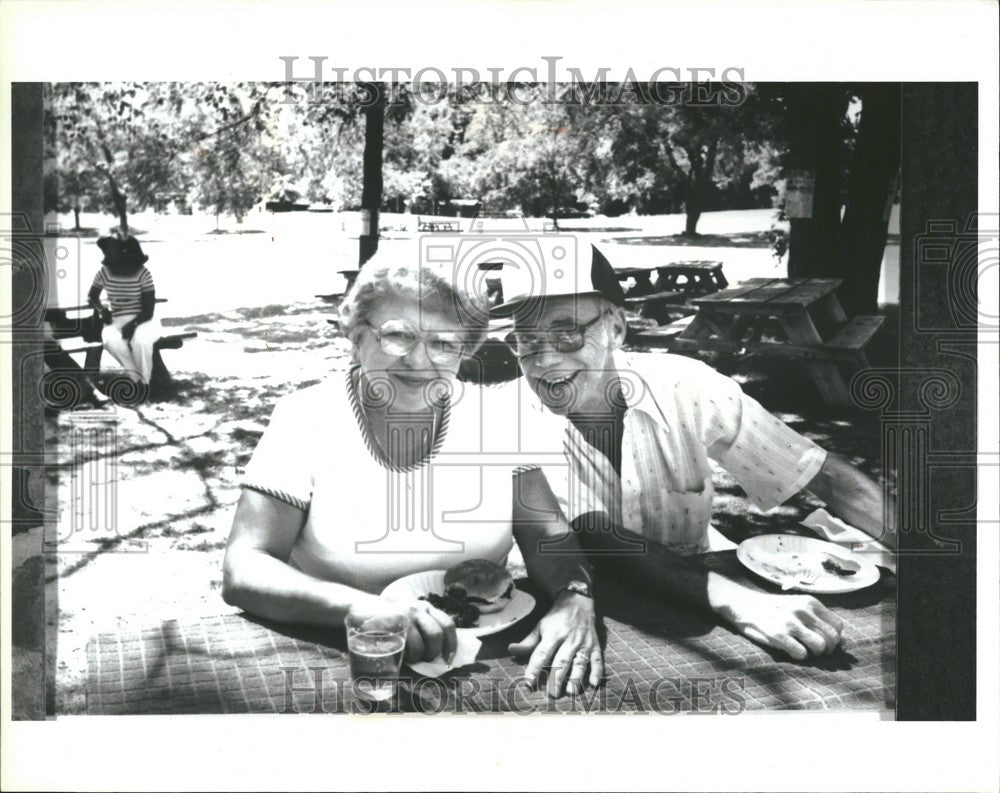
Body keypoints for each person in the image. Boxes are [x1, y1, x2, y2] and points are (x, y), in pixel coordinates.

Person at [223, 243, 601, 699]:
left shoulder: (496, 419)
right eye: (398, 336)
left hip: (481, 661)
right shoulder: (306, 417)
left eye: (444, 343)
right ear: (356, 335)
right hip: (340, 658)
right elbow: (245, 567)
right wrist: (360, 609)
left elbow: (550, 538)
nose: (420, 362)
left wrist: (574, 595)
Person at [491, 243, 895, 661]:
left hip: (703, 585)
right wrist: (746, 604)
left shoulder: (686, 386)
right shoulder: (511, 417)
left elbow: (817, 472)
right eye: (525, 339)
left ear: (615, 328)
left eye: (567, 333)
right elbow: (603, 539)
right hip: (591, 615)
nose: (543, 361)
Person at [87, 233, 162, 390]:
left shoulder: (143, 273)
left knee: (141, 341)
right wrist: (101, 310)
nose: (109, 255)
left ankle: (145, 385)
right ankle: (137, 381)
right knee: (111, 341)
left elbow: (149, 310)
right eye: (108, 251)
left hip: (144, 320)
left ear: (125, 252)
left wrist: (133, 325)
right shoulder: (104, 272)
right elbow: (92, 296)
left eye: (113, 251)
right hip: (117, 320)